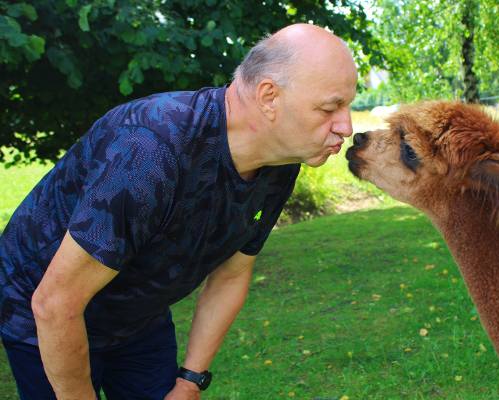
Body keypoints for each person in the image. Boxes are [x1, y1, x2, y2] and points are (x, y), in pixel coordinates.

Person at [0, 23, 357, 399]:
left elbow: (232, 274)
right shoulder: (150, 150)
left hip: (139, 317)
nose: (346, 126)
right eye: (330, 108)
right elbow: (55, 303)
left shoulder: (280, 163)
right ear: (269, 96)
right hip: (41, 314)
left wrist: (190, 379)